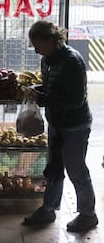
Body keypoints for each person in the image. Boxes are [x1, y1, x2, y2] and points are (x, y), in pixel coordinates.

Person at [23, 20, 98, 232]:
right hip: (56, 122)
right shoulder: (48, 60)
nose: (36, 50)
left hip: (75, 126)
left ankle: (88, 214)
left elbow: (75, 100)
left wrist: (44, 98)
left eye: (38, 45)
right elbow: (50, 88)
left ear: (52, 41)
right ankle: (48, 208)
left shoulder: (73, 61)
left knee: (76, 170)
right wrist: (36, 89)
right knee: (54, 168)